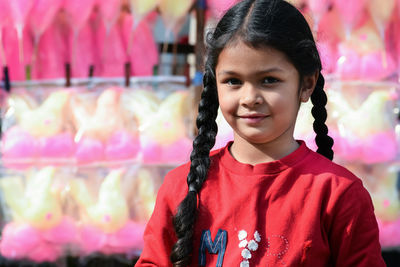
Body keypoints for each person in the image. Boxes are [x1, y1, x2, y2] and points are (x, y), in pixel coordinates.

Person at [135, 0, 386, 266]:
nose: (250, 98)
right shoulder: (181, 187)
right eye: (233, 81)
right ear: (215, 83)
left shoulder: (340, 194)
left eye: (269, 80)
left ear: (307, 84)